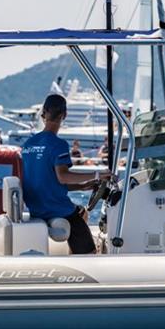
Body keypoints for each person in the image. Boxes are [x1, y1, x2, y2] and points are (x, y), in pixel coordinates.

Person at [20, 94, 110, 255]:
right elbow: (63, 176)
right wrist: (98, 175)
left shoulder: (28, 144)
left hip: (36, 208)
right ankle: (81, 256)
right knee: (84, 232)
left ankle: (73, 253)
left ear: (43, 113)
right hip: (55, 209)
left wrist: (82, 186)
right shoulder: (58, 144)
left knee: (81, 212)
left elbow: (47, 179)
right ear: (64, 115)